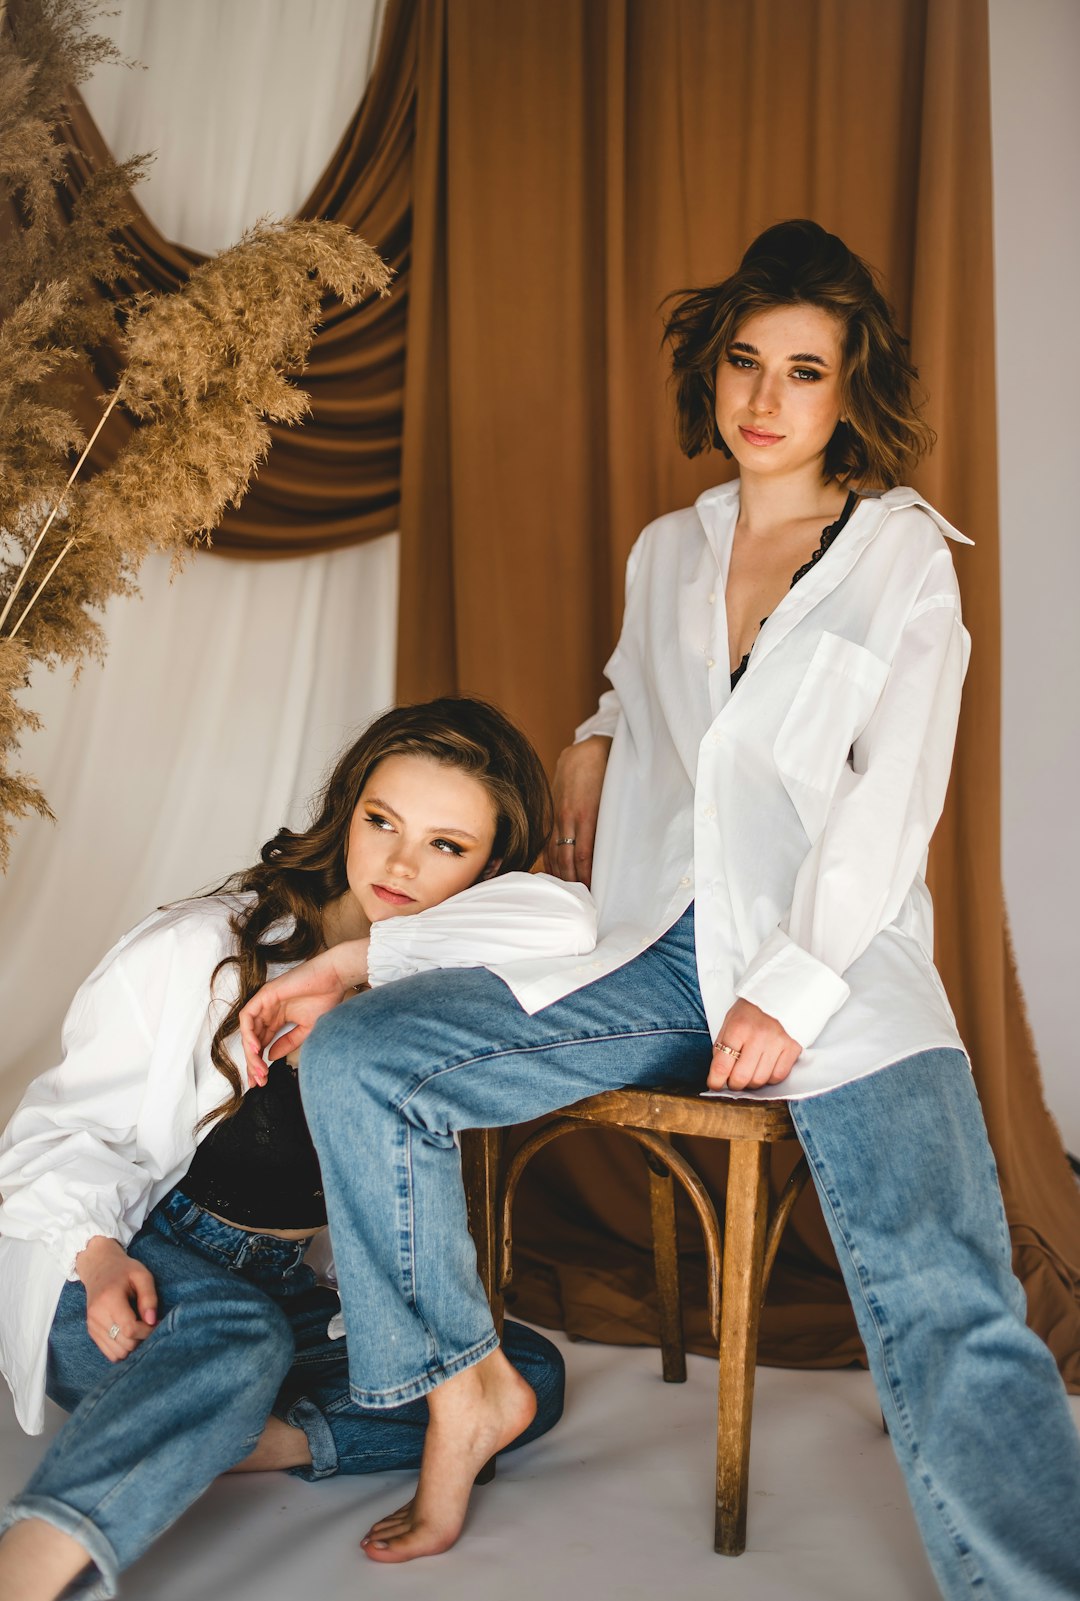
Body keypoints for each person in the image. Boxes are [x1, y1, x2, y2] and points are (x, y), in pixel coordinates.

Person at [250, 221, 1080, 1595]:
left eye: (803, 371)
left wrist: (795, 989)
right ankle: (464, 1390)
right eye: (745, 362)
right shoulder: (666, 552)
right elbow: (655, 705)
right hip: (652, 954)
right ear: (713, 373)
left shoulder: (901, 561)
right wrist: (592, 734)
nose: (765, 399)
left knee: (951, 1287)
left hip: (839, 964)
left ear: (846, 390)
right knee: (362, 1060)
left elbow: (892, 804)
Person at [0, 696, 597, 1601]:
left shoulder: (441, 981)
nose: (399, 863)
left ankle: (235, 1436)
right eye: (382, 821)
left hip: (284, 1298)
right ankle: (27, 1569)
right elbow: (56, 1130)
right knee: (234, 1339)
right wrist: (99, 1251)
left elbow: (572, 926)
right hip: (128, 1281)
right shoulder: (207, 946)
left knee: (528, 1376)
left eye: (447, 844)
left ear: (493, 867)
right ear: (347, 807)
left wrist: (361, 967)